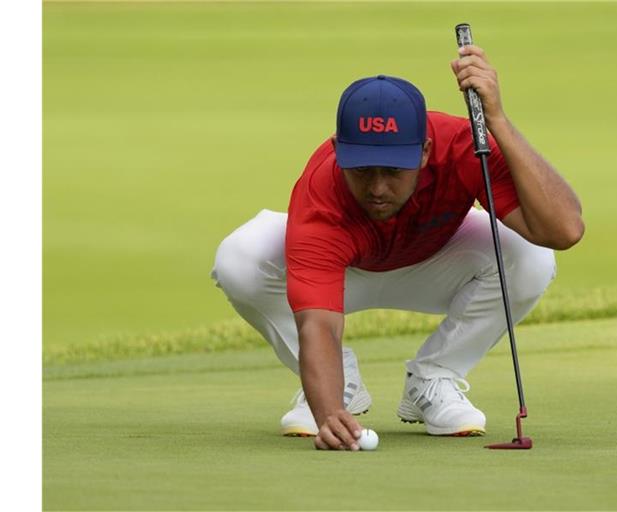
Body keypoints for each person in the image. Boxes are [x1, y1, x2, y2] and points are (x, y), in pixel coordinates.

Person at [211, 45, 584, 451]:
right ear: (337, 149)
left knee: (531, 255)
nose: (377, 188)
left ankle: (434, 378)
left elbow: (564, 230)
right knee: (239, 258)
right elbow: (319, 324)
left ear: (425, 151)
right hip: (344, 271)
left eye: (393, 170)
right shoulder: (321, 198)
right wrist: (328, 413)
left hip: (436, 262)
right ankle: (341, 388)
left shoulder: (463, 145)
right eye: (362, 170)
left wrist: (497, 121)